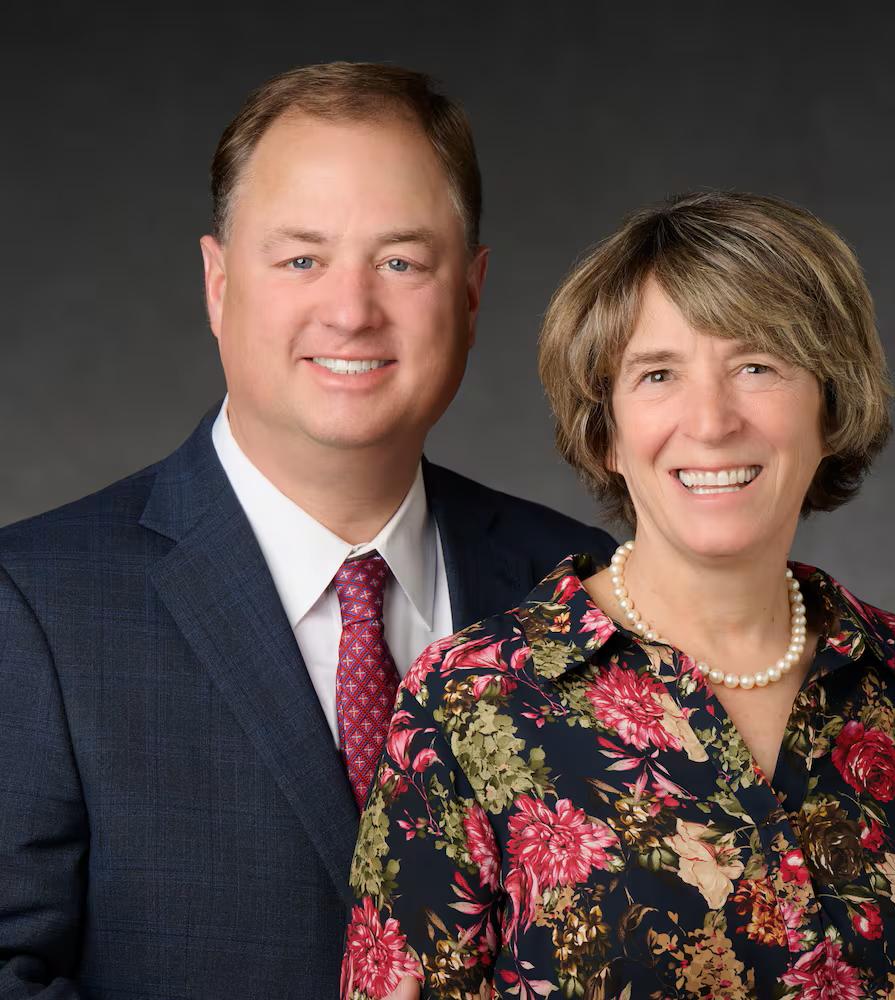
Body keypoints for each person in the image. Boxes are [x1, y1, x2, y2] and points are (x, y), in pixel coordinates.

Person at [0, 63, 615, 999]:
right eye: (301, 259)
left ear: (474, 293)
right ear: (216, 284)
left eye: (401, 261)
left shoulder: (582, 587)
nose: (351, 310)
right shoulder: (35, 605)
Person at [343, 192, 895, 999]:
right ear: (606, 430)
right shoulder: (473, 701)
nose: (711, 421)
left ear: (831, 403)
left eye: (757, 366)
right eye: (658, 374)